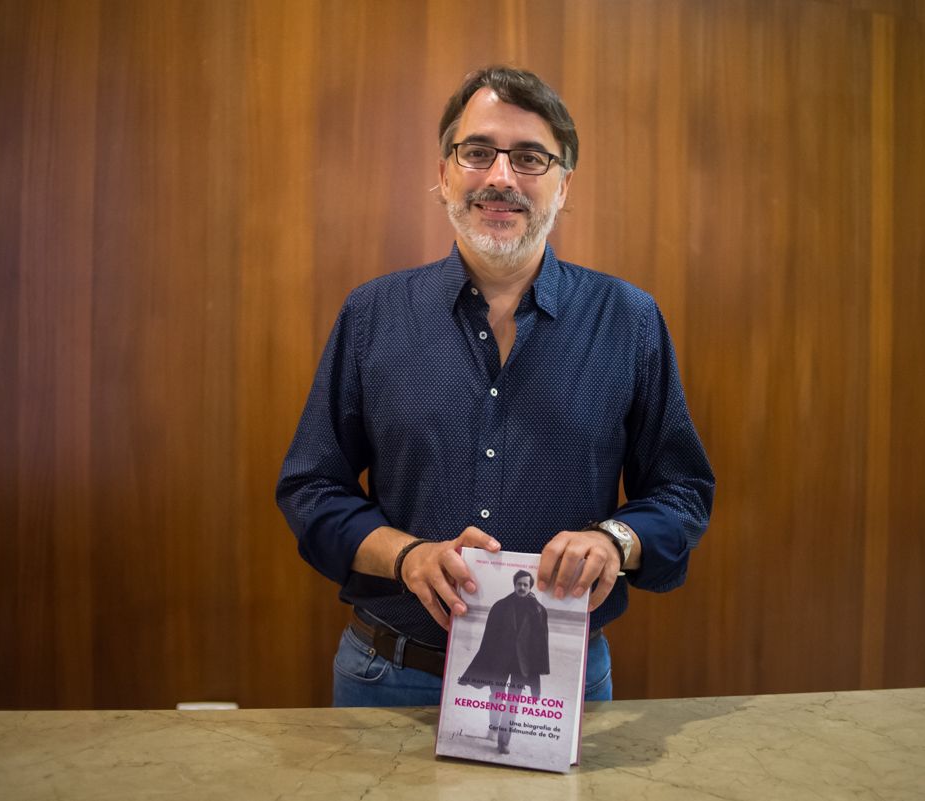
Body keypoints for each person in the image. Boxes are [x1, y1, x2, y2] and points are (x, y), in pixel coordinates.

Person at [276, 65, 714, 708]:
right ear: (444, 173)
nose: (501, 177)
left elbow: (682, 492)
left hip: (557, 683)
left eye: (531, 158)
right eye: (478, 152)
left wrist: (613, 542)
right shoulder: (372, 315)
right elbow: (311, 487)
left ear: (565, 184)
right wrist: (406, 556)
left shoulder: (629, 318)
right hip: (389, 678)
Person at [458, 570, 550, 754]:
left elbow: (541, 643)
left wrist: (538, 669)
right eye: (519, 584)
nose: (522, 587)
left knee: (513, 702)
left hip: (522, 664)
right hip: (499, 661)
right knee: (497, 696)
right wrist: (483, 661)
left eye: (525, 584)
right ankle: (493, 727)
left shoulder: (538, 610)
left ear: (530, 587)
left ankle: (503, 742)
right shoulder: (500, 606)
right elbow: (488, 639)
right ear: (514, 585)